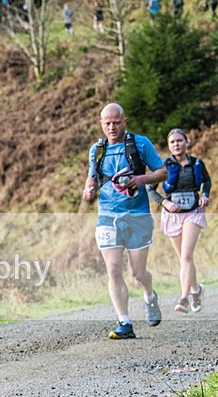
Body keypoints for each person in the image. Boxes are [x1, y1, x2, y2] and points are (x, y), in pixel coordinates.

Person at [82, 103, 167, 339]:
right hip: (107, 215)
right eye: (107, 123)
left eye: (116, 122)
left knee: (138, 273)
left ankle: (149, 295)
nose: (112, 127)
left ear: (124, 121)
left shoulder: (140, 144)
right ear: (101, 123)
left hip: (137, 214)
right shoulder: (96, 150)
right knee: (113, 269)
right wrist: (88, 191)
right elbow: (92, 179)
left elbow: (162, 172)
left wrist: (141, 179)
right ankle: (124, 322)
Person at [147, 129, 211, 313]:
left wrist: (205, 195)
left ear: (186, 142)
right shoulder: (163, 166)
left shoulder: (197, 163)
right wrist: (164, 202)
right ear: (169, 145)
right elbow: (150, 189)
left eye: (179, 140)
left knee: (186, 255)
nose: (176, 144)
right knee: (183, 259)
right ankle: (196, 291)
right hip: (172, 215)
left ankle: (183, 299)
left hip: (193, 212)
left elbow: (206, 182)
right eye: (172, 142)